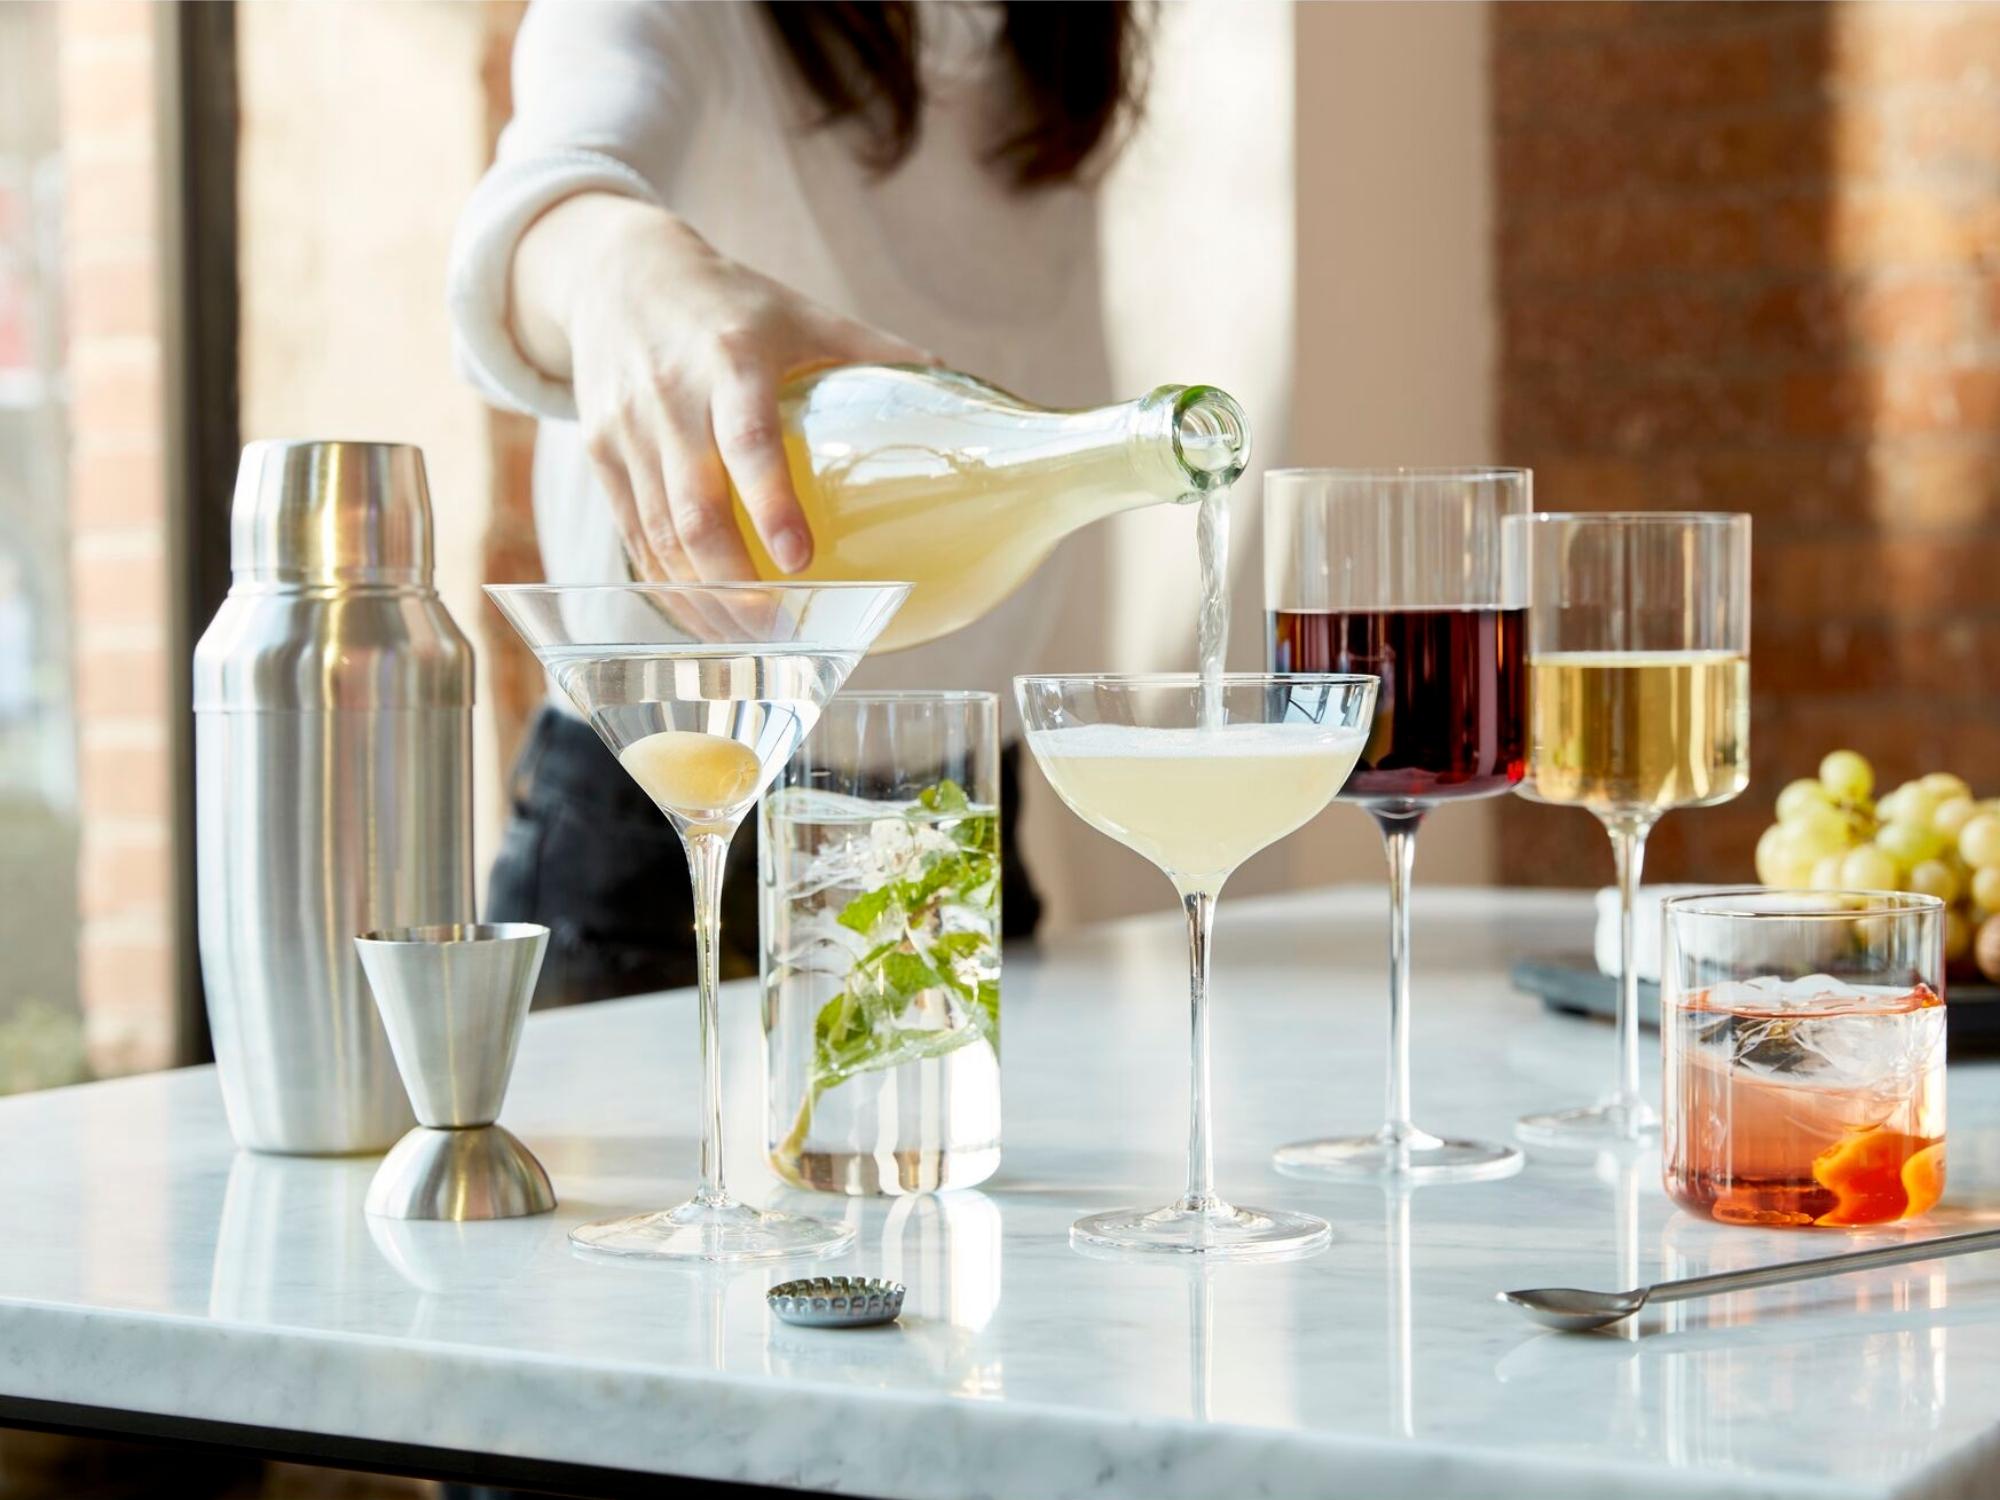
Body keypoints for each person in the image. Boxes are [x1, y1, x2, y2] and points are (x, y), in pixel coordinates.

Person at [449, 0, 1149, 1005]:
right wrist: (621, 269)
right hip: (665, 818)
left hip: (951, 831)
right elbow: (547, 208)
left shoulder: (1054, 39)